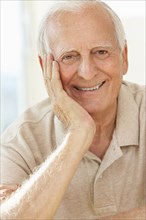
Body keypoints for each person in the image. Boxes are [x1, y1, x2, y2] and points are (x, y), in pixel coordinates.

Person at [0, 0, 145, 219]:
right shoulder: (21, 138)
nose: (87, 72)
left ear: (124, 56)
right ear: (45, 67)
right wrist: (77, 135)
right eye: (69, 56)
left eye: (101, 52)